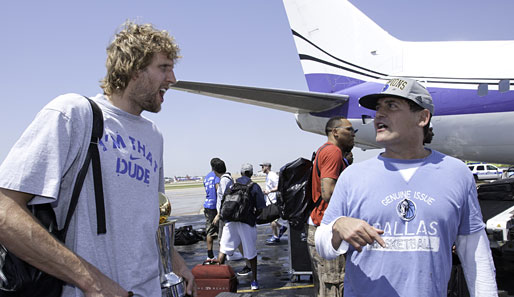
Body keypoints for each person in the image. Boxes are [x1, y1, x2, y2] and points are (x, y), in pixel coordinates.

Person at [0, 21, 196, 297]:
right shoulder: (73, 114)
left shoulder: (154, 135)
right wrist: (91, 282)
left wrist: (175, 263)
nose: (173, 78)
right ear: (134, 68)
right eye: (164, 67)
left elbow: (147, 220)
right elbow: (5, 210)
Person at [315, 78, 498, 297]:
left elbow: (475, 254)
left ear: (423, 117)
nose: (379, 115)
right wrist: (338, 226)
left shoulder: (457, 173)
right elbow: (322, 246)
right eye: (378, 108)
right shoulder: (352, 176)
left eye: (391, 106)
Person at [307, 116, 356, 297]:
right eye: (349, 130)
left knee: (325, 286)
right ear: (335, 132)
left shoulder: (325, 151)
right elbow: (328, 192)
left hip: (320, 225)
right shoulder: (333, 152)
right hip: (329, 228)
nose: (354, 134)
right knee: (334, 286)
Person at [218, 163, 266, 290]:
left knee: (223, 250)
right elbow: (261, 208)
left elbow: (224, 203)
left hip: (230, 221)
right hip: (246, 222)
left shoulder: (232, 185)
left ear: (241, 173)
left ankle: (218, 279)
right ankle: (254, 281)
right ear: (250, 173)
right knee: (250, 252)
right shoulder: (254, 186)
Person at [260, 162, 287, 245]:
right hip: (270, 200)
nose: (262, 168)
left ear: (267, 167)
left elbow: (279, 186)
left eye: (263, 166)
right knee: (271, 219)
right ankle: (281, 227)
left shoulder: (272, 175)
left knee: (272, 219)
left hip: (274, 201)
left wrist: (269, 191)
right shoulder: (268, 176)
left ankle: (275, 236)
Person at [203, 158, 221, 261]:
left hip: (207, 205)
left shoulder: (207, 177)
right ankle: (223, 254)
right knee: (220, 231)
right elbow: (218, 190)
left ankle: (210, 255)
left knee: (209, 231)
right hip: (215, 206)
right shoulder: (216, 176)